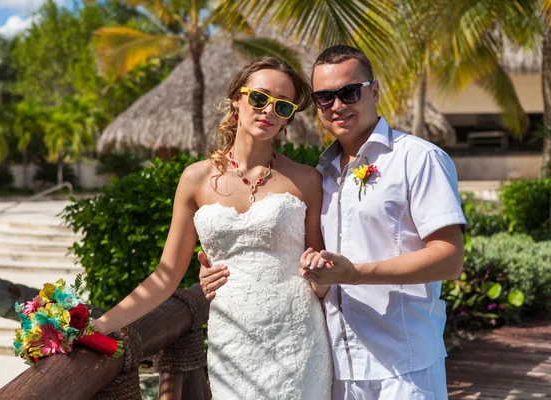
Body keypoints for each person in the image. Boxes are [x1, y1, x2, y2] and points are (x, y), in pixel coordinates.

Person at [199, 45, 466, 400]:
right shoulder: (320, 174)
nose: (338, 105)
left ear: (374, 91)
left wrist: (356, 273)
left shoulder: (418, 158)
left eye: (349, 92)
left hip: (403, 364)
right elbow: (285, 254)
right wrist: (221, 272)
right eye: (325, 98)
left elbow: (450, 259)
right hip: (335, 366)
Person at [92, 56, 333, 399]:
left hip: (297, 336)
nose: (268, 111)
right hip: (232, 341)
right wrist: (102, 324)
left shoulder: (307, 180)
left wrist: (321, 272)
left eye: (282, 106)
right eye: (260, 98)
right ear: (238, 99)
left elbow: (319, 272)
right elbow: (165, 275)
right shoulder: (195, 178)